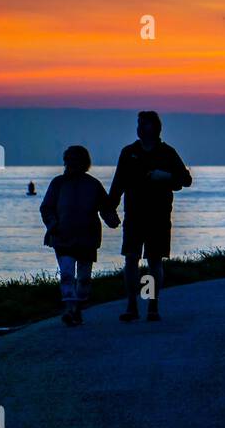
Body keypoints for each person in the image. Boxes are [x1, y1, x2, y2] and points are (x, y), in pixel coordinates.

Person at [109, 111, 193, 322]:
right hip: (134, 214)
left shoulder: (167, 153)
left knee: (153, 260)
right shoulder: (128, 152)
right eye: (138, 123)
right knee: (131, 258)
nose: (139, 127)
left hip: (159, 215)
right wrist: (109, 208)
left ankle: (152, 306)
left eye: (143, 124)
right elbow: (118, 182)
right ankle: (132, 305)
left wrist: (165, 176)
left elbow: (185, 180)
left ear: (154, 127)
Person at [40, 146, 119, 326]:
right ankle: (69, 309)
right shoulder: (58, 183)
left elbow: (105, 207)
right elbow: (46, 207)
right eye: (69, 160)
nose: (72, 164)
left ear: (84, 163)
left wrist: (112, 219)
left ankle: (77, 308)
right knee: (67, 274)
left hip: (87, 239)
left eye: (76, 160)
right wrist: (53, 224)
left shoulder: (93, 184)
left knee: (83, 278)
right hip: (62, 238)